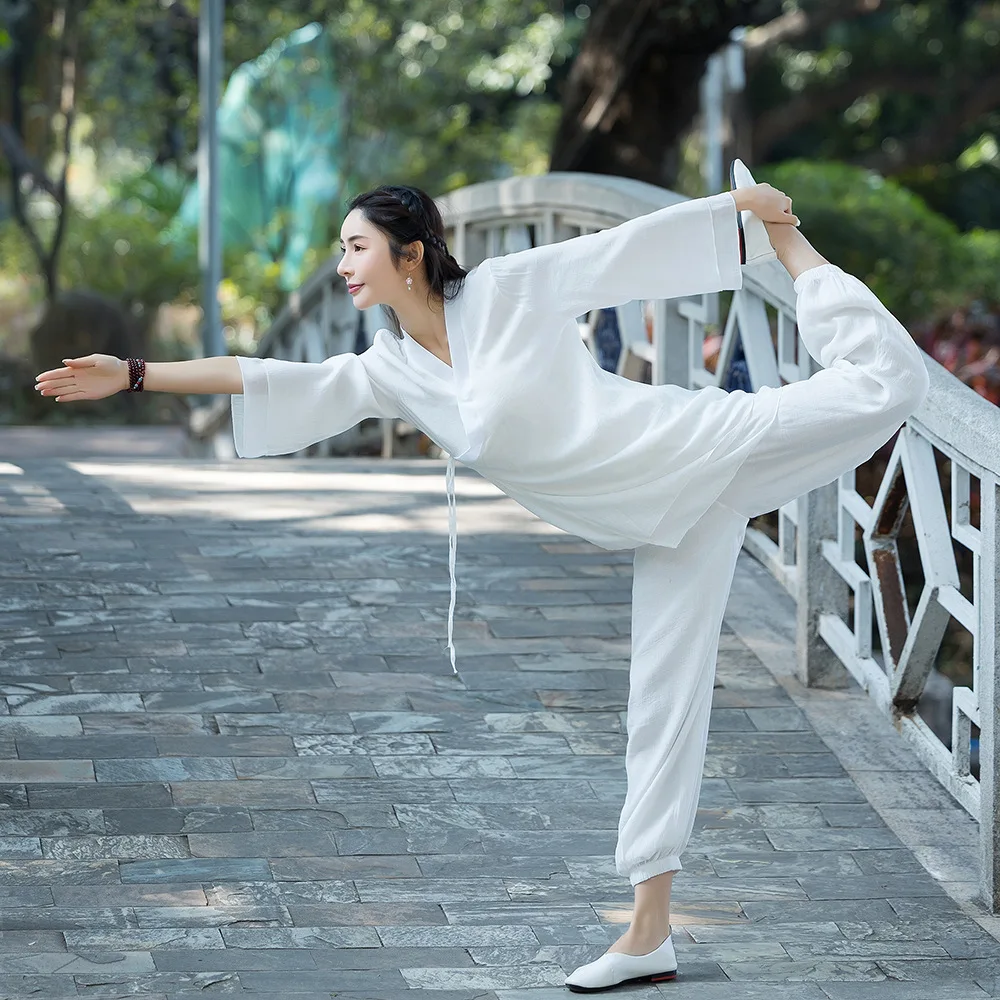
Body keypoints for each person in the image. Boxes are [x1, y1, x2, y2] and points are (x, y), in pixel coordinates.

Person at [34, 161, 929, 993]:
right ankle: (649, 933)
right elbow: (275, 375)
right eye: (340, 250)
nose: (341, 264)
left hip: (690, 443)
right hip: (647, 515)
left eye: (355, 247)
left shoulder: (505, 291)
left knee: (886, 382)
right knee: (660, 699)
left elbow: (611, 255)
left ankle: (795, 244)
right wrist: (138, 375)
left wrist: (746, 220)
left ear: (409, 253)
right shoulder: (393, 368)